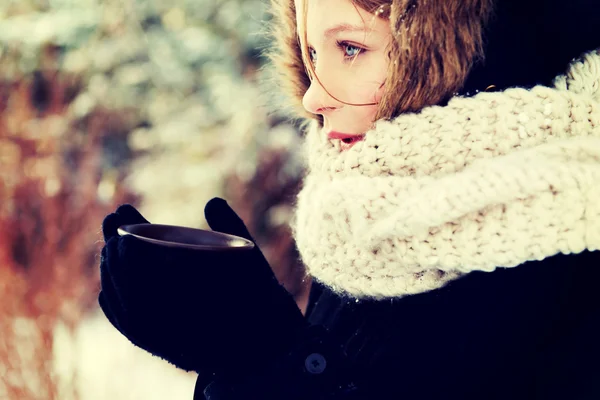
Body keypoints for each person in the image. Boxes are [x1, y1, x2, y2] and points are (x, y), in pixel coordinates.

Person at [98, 0, 600, 398]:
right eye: (313, 54)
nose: (314, 97)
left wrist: (263, 362)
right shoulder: (363, 214)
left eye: (351, 48)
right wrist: (241, 345)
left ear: (467, 48)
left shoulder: (571, 233)